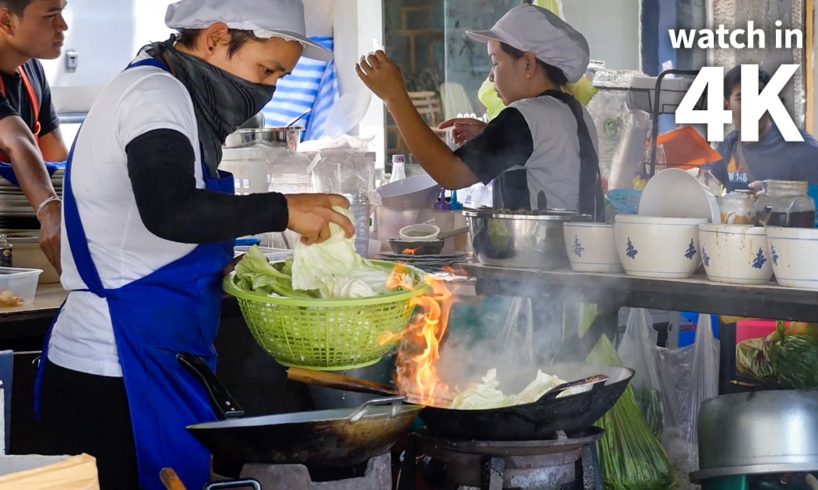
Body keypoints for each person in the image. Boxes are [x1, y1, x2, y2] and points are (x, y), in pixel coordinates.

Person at [35, 1, 352, 489]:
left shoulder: (170, 93)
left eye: (279, 77)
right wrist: (281, 209)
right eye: (265, 69)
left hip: (153, 362)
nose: (268, 89)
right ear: (215, 37)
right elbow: (171, 209)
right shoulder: (153, 95)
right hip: (116, 376)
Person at [357, 4, 603, 215]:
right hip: (573, 258)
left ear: (528, 64)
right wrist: (491, 134)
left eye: (496, 62)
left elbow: (450, 174)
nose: (491, 75)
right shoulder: (575, 112)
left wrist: (395, 98)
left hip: (538, 259)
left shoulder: (526, 116)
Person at [0, 0, 69, 271]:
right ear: (6, 20)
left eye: (62, 11)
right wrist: (49, 208)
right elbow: (17, 140)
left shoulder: (31, 69)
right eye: (51, 15)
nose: (63, 25)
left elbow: (57, 159)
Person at [710, 65, 818, 192]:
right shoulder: (727, 146)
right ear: (726, 106)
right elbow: (706, 187)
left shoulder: (800, 145)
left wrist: (779, 195)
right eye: (742, 98)